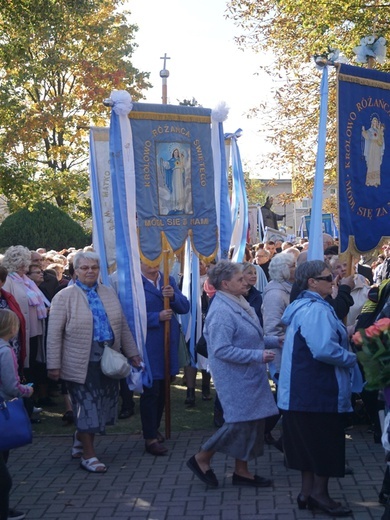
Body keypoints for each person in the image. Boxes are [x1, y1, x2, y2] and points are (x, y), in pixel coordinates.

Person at [46, 251, 141, 473]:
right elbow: (54, 334)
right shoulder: (64, 297)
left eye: (94, 268)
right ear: (75, 271)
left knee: (104, 406)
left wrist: (133, 352)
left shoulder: (108, 292)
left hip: (108, 359)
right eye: (85, 268)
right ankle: (88, 455)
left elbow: (122, 325)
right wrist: (53, 364)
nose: (90, 271)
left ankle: (80, 437)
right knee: (87, 406)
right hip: (79, 361)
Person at [186, 260, 278, 488]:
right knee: (238, 423)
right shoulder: (221, 311)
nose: (246, 281)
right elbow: (221, 349)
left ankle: (242, 471)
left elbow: (249, 337)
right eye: (240, 279)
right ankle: (202, 457)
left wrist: (276, 341)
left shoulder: (237, 301)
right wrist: (257, 356)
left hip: (248, 376)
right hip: (235, 378)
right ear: (225, 284)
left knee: (252, 422)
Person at [278, 260, 357, 516]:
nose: (332, 281)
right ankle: (319, 495)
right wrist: (352, 358)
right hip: (317, 390)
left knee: (309, 445)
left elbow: (319, 337)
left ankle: (307, 492)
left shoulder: (308, 306)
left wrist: (347, 332)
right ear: (312, 282)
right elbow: (323, 348)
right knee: (323, 444)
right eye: (327, 278)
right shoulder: (315, 309)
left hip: (305, 390)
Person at [139, 261, 190, 455]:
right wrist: (155, 317)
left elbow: (184, 307)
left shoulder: (167, 279)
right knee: (151, 391)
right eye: (147, 260)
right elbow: (130, 315)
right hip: (148, 344)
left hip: (168, 344)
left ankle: (155, 428)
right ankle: (149, 437)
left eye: (155, 260)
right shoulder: (135, 283)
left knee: (163, 389)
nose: (153, 265)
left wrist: (173, 296)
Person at [0, 309, 34, 520]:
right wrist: (27, 390)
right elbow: (12, 386)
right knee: (4, 478)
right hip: (3, 409)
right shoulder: (5, 351)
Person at [362, 115, 385, 187]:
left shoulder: (379, 131)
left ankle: (376, 182)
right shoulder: (370, 130)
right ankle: (369, 181)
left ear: (377, 123)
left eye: (376, 121)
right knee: (371, 162)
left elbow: (381, 141)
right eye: (373, 121)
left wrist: (381, 133)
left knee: (376, 164)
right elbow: (366, 136)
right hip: (371, 147)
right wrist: (363, 131)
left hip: (377, 148)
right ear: (372, 122)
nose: (375, 123)